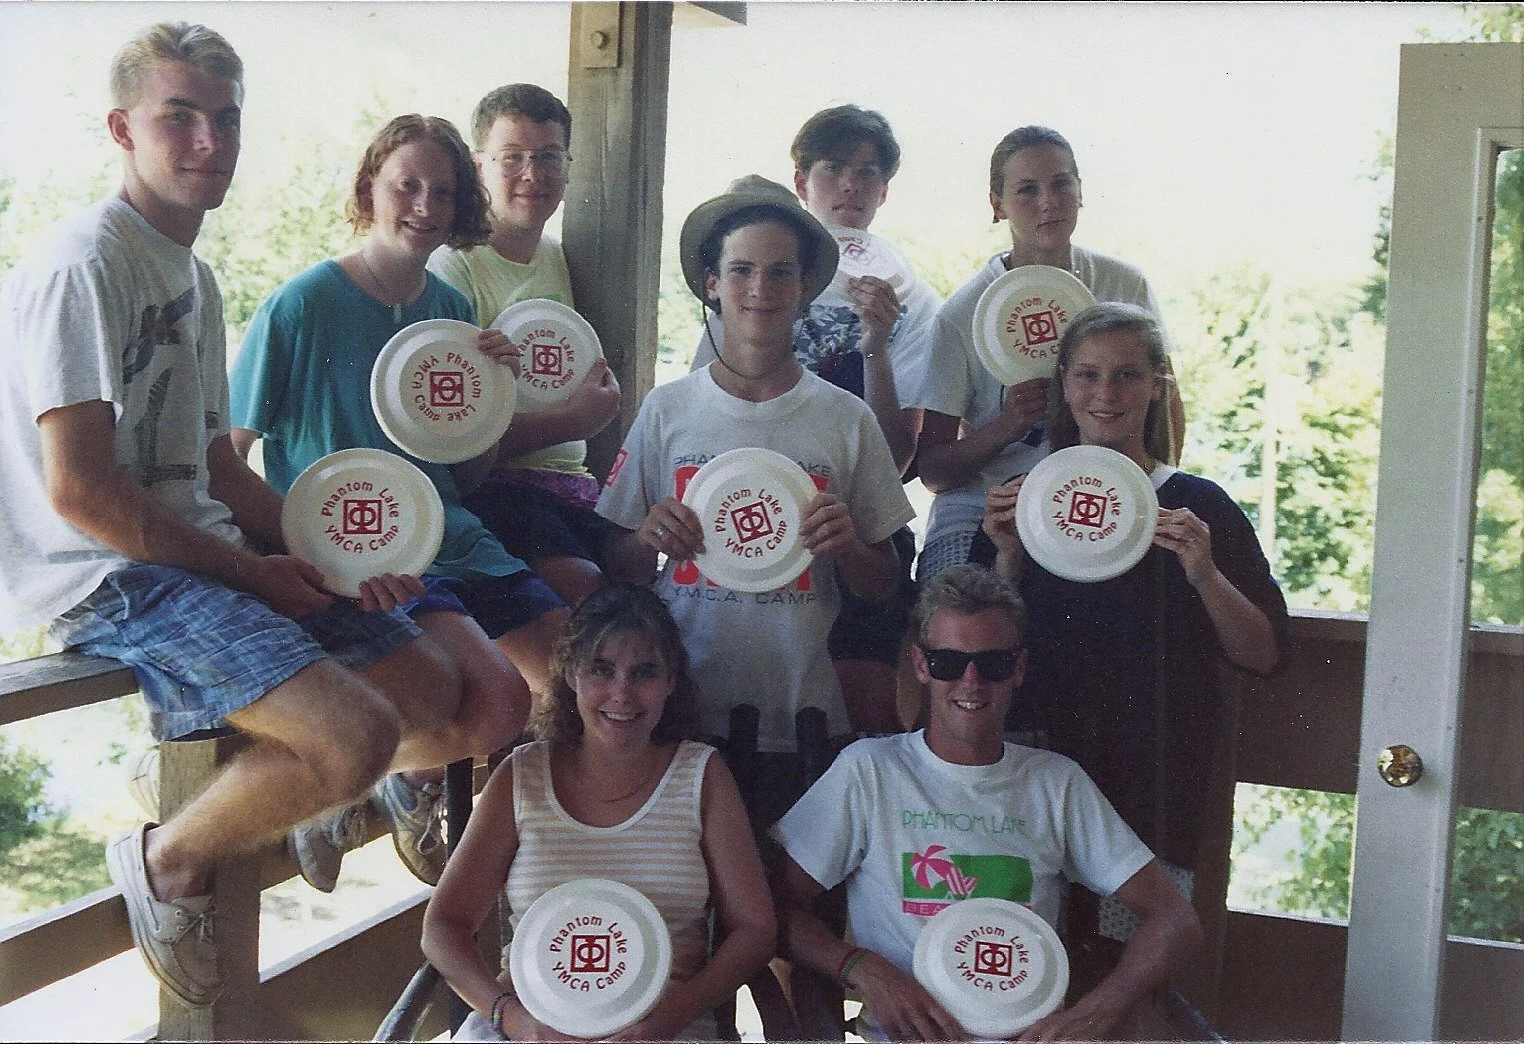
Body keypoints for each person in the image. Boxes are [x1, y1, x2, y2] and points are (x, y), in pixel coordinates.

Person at [0, 23, 525, 1007]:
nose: (210, 141)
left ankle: (296, 784)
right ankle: (167, 859)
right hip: (102, 573)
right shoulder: (85, 263)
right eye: (180, 117)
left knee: (447, 685)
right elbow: (81, 493)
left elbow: (216, 471)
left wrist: (331, 558)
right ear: (122, 128)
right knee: (355, 738)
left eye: (226, 118)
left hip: (193, 549)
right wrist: (255, 572)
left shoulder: (192, 276)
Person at [230, 114, 569, 892]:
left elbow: (471, 474)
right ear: (369, 189)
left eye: (442, 192)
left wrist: (495, 392)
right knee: (497, 707)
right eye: (405, 185)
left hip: (452, 533)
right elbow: (233, 451)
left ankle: (401, 782)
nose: (424, 205)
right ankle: (334, 783)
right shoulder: (302, 304)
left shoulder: (451, 311)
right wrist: (287, 556)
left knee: (577, 682)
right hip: (361, 549)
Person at [596, 175, 915, 830]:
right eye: (741, 270)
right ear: (711, 283)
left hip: (807, 714)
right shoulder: (669, 411)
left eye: (780, 273)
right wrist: (647, 538)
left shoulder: (845, 420)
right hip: (684, 709)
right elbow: (617, 564)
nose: (760, 290)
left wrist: (849, 544)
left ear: (802, 288)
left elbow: (884, 583)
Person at [773, 564, 1203, 1042]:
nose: (971, 682)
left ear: (1018, 668)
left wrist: (1099, 1010)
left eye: (993, 664)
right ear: (920, 665)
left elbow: (1176, 917)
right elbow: (770, 906)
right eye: (948, 663)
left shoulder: (1055, 782)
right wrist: (861, 967)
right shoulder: (870, 772)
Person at [976, 302, 1287, 955]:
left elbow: (1263, 654)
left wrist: (1204, 572)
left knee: (1131, 975)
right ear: (1063, 382)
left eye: (1126, 375)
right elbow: (976, 653)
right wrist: (1006, 555)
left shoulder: (1199, 506)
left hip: (1152, 782)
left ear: (1155, 384)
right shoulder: (1024, 500)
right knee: (1025, 961)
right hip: (1033, 775)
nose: (1106, 394)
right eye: (1088, 375)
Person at [421, 585, 774, 1041]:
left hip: (667, 1031)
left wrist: (665, 1020)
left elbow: (756, 928)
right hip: (528, 1029)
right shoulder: (521, 776)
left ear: (671, 682)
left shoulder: (700, 774)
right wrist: (512, 1019)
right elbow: (442, 927)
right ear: (571, 675)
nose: (621, 695)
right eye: (601, 670)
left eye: (643, 672)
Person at [689, 105, 935, 735]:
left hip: (851, 515)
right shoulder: (742, 289)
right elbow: (700, 420)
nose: (849, 185)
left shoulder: (909, 295)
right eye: (832, 169)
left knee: (865, 674)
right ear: (801, 182)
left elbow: (899, 457)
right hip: (742, 505)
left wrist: (877, 341)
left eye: (867, 172)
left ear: (884, 191)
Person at [904, 126, 1185, 582]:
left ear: (1080, 191)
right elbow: (934, 471)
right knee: (957, 609)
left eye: (1061, 183)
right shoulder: (963, 313)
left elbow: (1166, 408)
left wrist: (1149, 492)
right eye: (1027, 189)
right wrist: (1007, 425)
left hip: (1099, 501)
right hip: (987, 510)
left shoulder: (1123, 285)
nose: (1049, 202)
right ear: (997, 204)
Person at [428, 83, 621, 608]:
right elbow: (454, 441)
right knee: (595, 605)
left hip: (574, 487)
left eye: (548, 158)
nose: (532, 175)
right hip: (500, 492)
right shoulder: (454, 266)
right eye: (512, 158)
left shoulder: (560, 257)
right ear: (476, 164)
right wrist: (574, 421)